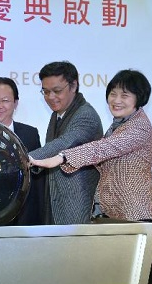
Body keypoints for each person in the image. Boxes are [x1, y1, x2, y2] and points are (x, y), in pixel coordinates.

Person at [29, 69, 152, 284]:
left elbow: (103, 149)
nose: (117, 100)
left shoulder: (137, 127)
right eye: (113, 94)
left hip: (142, 217)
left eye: (124, 95)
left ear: (139, 100)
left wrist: (63, 157)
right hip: (117, 218)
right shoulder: (117, 125)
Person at [28, 61, 103, 225]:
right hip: (56, 204)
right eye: (45, 92)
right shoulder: (58, 113)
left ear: (74, 85)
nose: (50, 97)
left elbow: (62, 144)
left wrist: (25, 159)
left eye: (57, 91)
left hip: (77, 207)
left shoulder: (86, 115)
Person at [0, 77, 45, 225]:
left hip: (23, 216)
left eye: (4, 100)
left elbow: (37, 180)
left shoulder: (30, 134)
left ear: (15, 103)